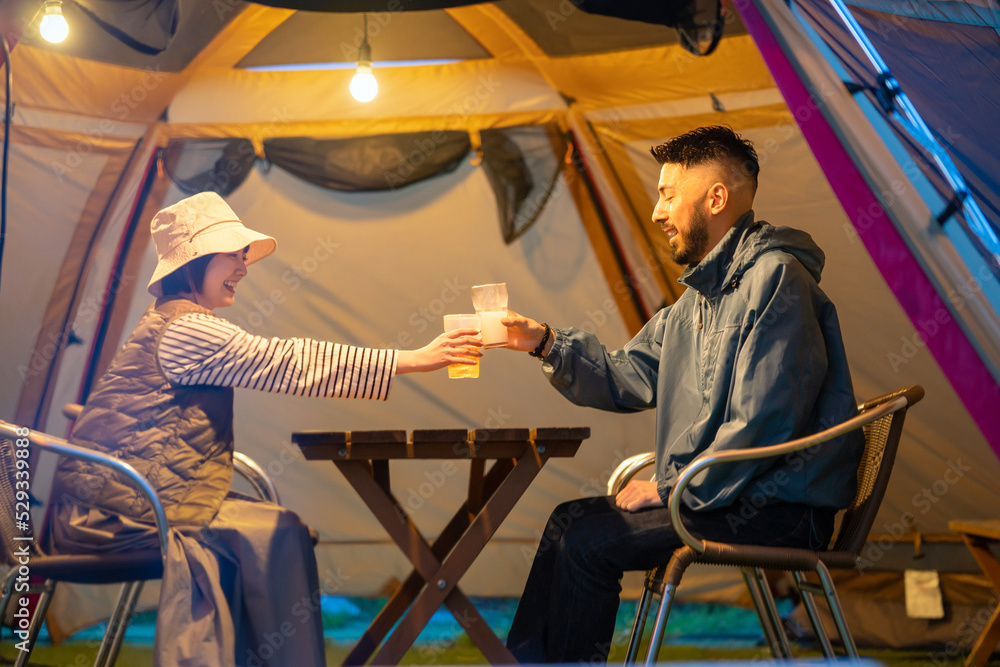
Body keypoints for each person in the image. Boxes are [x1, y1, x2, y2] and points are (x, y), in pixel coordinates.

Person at [44, 191, 482, 667]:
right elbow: (287, 361)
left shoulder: (172, 319)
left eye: (243, 256)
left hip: (125, 498)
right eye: (232, 255)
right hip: (116, 514)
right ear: (194, 261)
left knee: (277, 528)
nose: (243, 267)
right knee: (279, 532)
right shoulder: (188, 328)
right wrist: (414, 359)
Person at [501, 125, 863, 663]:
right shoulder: (696, 303)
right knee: (565, 523)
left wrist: (672, 487)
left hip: (779, 505)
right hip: (726, 492)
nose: (657, 212)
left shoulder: (777, 280)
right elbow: (626, 375)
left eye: (668, 195)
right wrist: (546, 343)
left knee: (587, 545)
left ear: (715, 199)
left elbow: (764, 422)